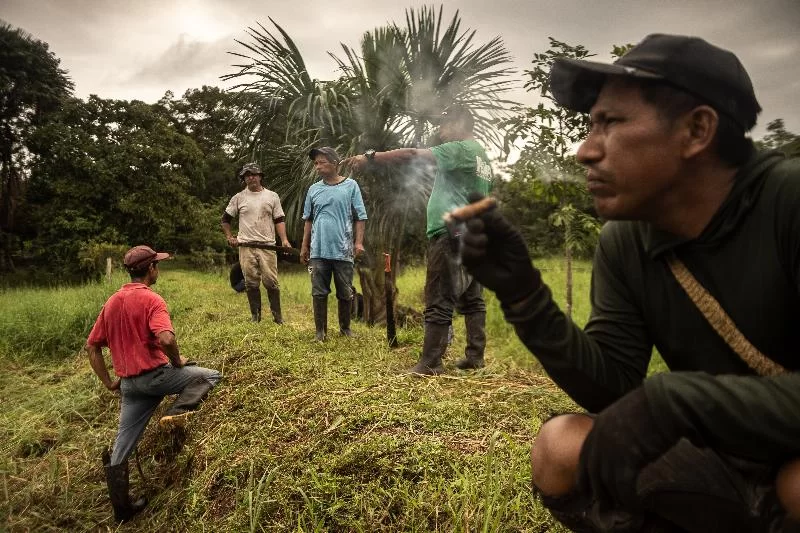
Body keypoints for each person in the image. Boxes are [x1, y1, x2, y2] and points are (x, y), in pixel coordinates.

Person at [459, 34, 800, 532]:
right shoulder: (625, 241)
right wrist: (523, 294)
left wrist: (676, 402)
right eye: (588, 126)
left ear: (696, 130)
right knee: (561, 446)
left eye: (611, 123)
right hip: (727, 459)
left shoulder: (788, 203)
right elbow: (613, 388)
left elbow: (664, 407)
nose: (584, 151)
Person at [342, 104, 493, 375]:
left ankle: (430, 363)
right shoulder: (483, 157)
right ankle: (475, 358)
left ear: (459, 123)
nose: (441, 130)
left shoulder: (461, 149)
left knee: (438, 296)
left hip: (452, 234)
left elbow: (412, 154)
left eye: (445, 124)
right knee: (472, 299)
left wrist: (371, 157)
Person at [86, 245, 222, 522]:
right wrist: (178, 362)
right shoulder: (152, 300)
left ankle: (122, 509)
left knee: (122, 444)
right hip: (156, 378)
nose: (158, 268)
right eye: (157, 264)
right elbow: (167, 339)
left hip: (129, 385)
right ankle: (175, 413)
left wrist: (109, 382)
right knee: (211, 375)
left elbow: (92, 347)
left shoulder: (111, 302)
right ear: (151, 269)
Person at [301, 147, 367, 341]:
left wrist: (359, 243)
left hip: (343, 250)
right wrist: (305, 246)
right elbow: (308, 220)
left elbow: (360, 217)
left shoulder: (351, 186)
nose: (318, 166)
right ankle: (320, 332)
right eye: (316, 163)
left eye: (322, 162)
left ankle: (345, 329)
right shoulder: (314, 189)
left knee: (345, 292)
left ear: (335, 163)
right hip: (318, 251)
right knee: (318, 292)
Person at [222, 162, 291, 323]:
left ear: (260, 176)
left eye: (253, 174)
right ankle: (256, 317)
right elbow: (225, 219)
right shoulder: (238, 198)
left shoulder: (272, 196)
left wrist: (285, 240)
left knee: (271, 282)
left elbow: (279, 219)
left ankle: (277, 317)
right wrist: (229, 237)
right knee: (251, 282)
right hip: (246, 246)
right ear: (244, 179)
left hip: (267, 245)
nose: (251, 177)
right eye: (247, 175)